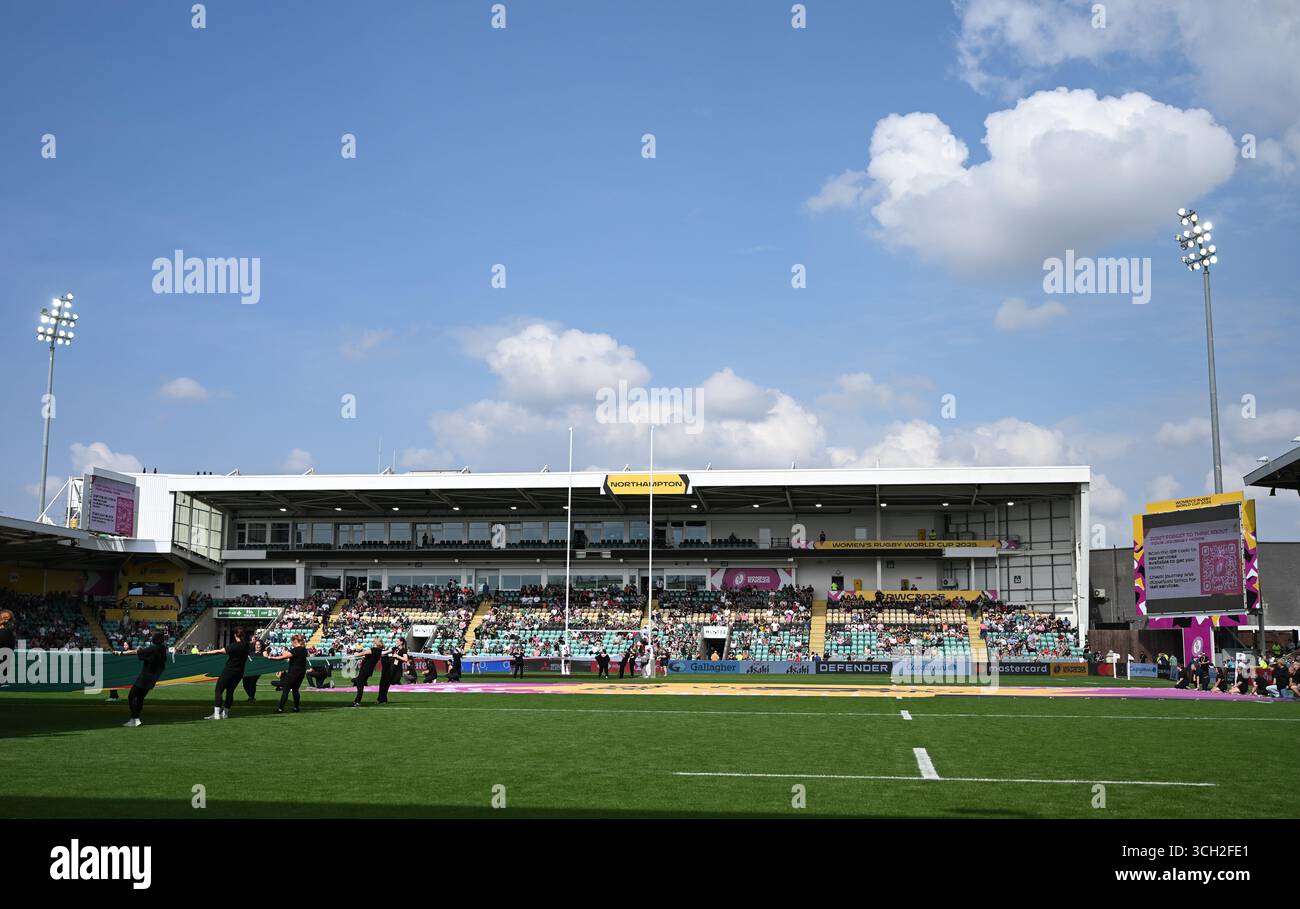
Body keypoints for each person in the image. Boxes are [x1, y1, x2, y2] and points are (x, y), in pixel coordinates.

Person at [201, 627, 252, 719]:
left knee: (218, 690)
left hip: (229, 671)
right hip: (239, 672)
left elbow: (219, 651)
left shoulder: (234, 646)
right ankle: (225, 713)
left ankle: (216, 714)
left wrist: (205, 653)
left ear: (235, 635)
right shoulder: (247, 646)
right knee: (230, 692)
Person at [120, 630, 168, 727]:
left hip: (145, 676)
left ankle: (135, 718)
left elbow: (139, 653)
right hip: (153, 678)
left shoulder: (153, 649)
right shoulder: (163, 649)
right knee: (140, 697)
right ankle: (136, 718)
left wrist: (121, 653)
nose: (151, 638)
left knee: (131, 696)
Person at [269, 634, 309, 713]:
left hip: (293, 673)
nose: (291, 643)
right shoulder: (304, 650)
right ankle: (296, 708)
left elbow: (282, 657)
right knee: (295, 690)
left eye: (292, 642)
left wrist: (271, 658)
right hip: (301, 673)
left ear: (295, 641)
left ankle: (280, 708)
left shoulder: (295, 650)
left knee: (286, 690)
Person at [351, 637, 385, 707]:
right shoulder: (379, 650)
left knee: (359, 684)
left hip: (366, 669)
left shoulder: (374, 649)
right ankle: (356, 699)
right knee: (360, 683)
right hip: (368, 669)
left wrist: (354, 655)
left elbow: (364, 652)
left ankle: (357, 701)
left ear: (376, 642)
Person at [378, 639, 409, 705]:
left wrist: (397, 656)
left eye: (397, 641)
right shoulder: (394, 648)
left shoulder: (403, 650)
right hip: (390, 668)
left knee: (386, 684)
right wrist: (376, 652)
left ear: (401, 642)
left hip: (396, 670)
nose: (396, 642)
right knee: (383, 683)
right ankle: (381, 699)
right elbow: (385, 652)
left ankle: (383, 699)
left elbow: (406, 659)